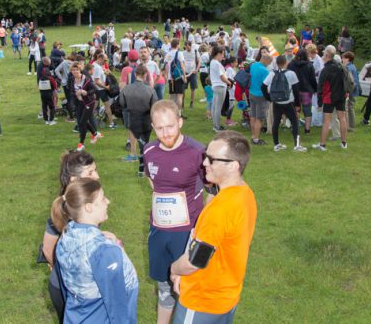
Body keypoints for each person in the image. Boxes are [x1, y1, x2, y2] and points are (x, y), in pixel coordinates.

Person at [169, 131, 257, 323]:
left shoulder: (220, 210)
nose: (204, 163)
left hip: (202, 301)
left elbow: (194, 262)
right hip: (226, 296)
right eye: (205, 156)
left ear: (234, 166)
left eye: (211, 159)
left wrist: (174, 269)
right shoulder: (245, 193)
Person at [143, 100, 206, 324]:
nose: (166, 133)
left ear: (180, 122)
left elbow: (212, 190)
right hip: (159, 231)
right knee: (163, 286)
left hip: (186, 232)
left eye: (170, 126)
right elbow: (152, 181)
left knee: (185, 286)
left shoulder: (198, 152)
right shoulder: (149, 150)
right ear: (153, 127)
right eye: (159, 128)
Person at [53, 178, 138, 323]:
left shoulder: (66, 237)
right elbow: (117, 303)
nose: (108, 201)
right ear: (89, 207)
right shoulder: (103, 250)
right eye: (103, 198)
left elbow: (65, 287)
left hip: (77, 316)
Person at [42, 150, 101, 323]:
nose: (96, 176)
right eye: (90, 172)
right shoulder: (65, 208)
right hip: (67, 287)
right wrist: (67, 271)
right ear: (74, 180)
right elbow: (47, 249)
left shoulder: (86, 200)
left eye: (95, 169)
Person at [263, 55, 306, 152]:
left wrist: (269, 98)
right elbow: (296, 90)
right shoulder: (291, 74)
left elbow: (263, 86)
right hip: (288, 102)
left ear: (276, 63)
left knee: (276, 122)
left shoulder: (272, 74)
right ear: (286, 63)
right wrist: (298, 104)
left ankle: (276, 144)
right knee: (294, 122)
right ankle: (297, 145)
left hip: (276, 102)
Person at [119, 64, 158, 170]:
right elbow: (155, 106)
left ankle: (133, 154)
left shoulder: (126, 89)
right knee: (145, 141)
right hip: (146, 118)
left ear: (135, 74)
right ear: (145, 75)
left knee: (133, 133)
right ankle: (144, 159)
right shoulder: (150, 90)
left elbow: (122, 103)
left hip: (132, 116)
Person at [313, 46, 348, 151]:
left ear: (327, 55)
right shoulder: (340, 66)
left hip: (329, 97)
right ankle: (344, 143)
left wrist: (319, 103)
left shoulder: (325, 69)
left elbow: (320, 87)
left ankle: (322, 145)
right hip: (341, 96)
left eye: (324, 54)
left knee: (327, 121)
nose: (323, 55)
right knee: (342, 118)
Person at [71, 62, 101, 151]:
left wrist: (86, 92)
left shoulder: (86, 79)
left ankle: (81, 144)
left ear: (80, 70)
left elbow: (94, 89)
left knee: (81, 122)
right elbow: (71, 92)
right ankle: (95, 133)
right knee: (81, 124)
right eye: (73, 70)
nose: (75, 71)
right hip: (79, 103)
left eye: (77, 70)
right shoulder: (71, 80)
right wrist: (76, 94)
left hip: (89, 103)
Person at [288, 49, 317, 135]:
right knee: (307, 110)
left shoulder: (291, 65)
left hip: (294, 90)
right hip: (306, 91)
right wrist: (315, 89)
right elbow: (313, 79)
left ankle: (295, 128)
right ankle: (307, 129)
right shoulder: (309, 65)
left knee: (295, 110)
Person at [248, 51, 271, 145]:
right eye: (270, 62)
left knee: (253, 116)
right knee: (259, 118)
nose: (269, 64)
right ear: (266, 61)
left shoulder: (253, 65)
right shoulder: (265, 71)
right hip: (260, 95)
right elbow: (266, 85)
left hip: (251, 92)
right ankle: (256, 139)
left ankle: (253, 136)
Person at [209, 46, 231, 133]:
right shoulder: (217, 63)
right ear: (218, 54)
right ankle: (217, 126)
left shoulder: (212, 62)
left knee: (214, 107)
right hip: (220, 86)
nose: (223, 56)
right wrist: (229, 82)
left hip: (215, 86)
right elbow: (222, 77)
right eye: (222, 54)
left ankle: (215, 125)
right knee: (218, 107)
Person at [342, 52, 360, 131]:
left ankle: (351, 126)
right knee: (350, 107)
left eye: (343, 58)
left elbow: (349, 81)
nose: (342, 59)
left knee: (349, 108)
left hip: (351, 90)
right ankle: (350, 126)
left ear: (347, 59)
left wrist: (347, 91)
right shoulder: (353, 66)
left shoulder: (348, 68)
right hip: (354, 89)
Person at [38, 56, 58, 126]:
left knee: (44, 106)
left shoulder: (41, 79)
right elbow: (55, 86)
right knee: (52, 107)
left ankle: (46, 120)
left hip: (42, 94)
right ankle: (51, 120)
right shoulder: (50, 78)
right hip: (50, 94)